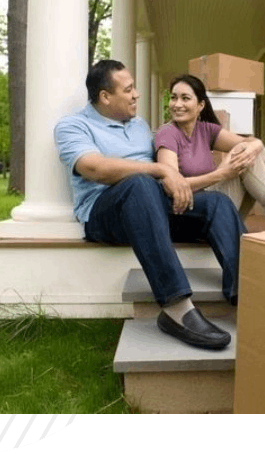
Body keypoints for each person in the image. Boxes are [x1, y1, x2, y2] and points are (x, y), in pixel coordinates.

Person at [54, 60, 244, 351]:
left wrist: (176, 181)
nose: (136, 95)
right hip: (105, 213)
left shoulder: (140, 125)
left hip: (152, 206)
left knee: (217, 203)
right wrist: (161, 172)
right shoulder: (72, 126)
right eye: (129, 90)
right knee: (141, 183)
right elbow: (96, 168)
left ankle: (245, 296)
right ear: (105, 96)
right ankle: (177, 309)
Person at [155, 74, 265, 228]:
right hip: (191, 210)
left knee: (252, 152)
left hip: (217, 204)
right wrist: (222, 174)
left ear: (201, 105)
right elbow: (173, 187)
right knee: (245, 155)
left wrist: (256, 145)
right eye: (174, 98)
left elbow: (251, 143)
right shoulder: (168, 133)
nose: (177, 104)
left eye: (185, 98)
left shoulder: (205, 130)